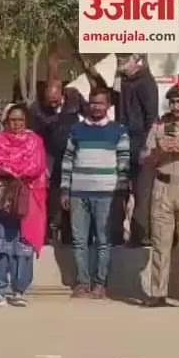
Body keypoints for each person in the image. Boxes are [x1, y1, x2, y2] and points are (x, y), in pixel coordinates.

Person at [60, 87, 130, 299]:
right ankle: (82, 283)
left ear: (108, 106)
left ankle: (100, 284)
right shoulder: (76, 130)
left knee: (103, 240)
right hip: (78, 193)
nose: (96, 107)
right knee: (79, 240)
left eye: (100, 103)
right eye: (92, 102)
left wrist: (121, 193)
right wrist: (65, 189)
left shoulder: (119, 131)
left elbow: (124, 164)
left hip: (107, 194)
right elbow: (67, 160)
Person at [0, 104, 48, 307]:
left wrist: (13, 171)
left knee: (22, 245)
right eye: (12, 120)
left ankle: (19, 290)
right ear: (6, 122)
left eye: (20, 120)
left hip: (26, 197)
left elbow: (37, 166)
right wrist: (4, 171)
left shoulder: (35, 141)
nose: (16, 124)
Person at [139, 83, 179, 308]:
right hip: (162, 186)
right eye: (172, 102)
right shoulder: (160, 125)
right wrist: (159, 151)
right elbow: (145, 157)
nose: (176, 106)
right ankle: (157, 292)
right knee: (160, 242)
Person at [30, 81, 83, 244]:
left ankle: (69, 234)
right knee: (53, 197)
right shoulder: (38, 110)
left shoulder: (74, 101)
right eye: (49, 101)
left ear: (62, 95)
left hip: (72, 157)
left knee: (71, 197)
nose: (52, 104)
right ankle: (49, 232)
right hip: (51, 158)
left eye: (55, 100)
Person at [115, 53, 160, 246]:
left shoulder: (145, 82)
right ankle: (115, 235)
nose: (120, 62)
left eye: (125, 59)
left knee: (142, 193)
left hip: (141, 143)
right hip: (123, 143)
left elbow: (152, 117)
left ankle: (140, 236)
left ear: (136, 59)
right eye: (119, 58)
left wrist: (147, 147)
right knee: (119, 191)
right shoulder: (122, 81)